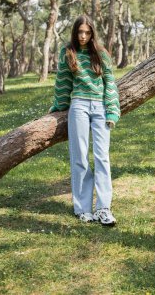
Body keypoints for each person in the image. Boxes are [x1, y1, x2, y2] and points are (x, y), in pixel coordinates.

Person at [49, 15, 120, 226]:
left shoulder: (101, 53)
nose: (83, 36)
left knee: (102, 158)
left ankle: (104, 209)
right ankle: (83, 209)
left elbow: (110, 84)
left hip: (99, 107)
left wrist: (112, 111)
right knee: (79, 157)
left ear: (92, 33)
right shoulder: (67, 52)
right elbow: (63, 82)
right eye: (80, 32)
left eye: (87, 32)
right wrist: (58, 106)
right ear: (74, 32)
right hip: (78, 106)